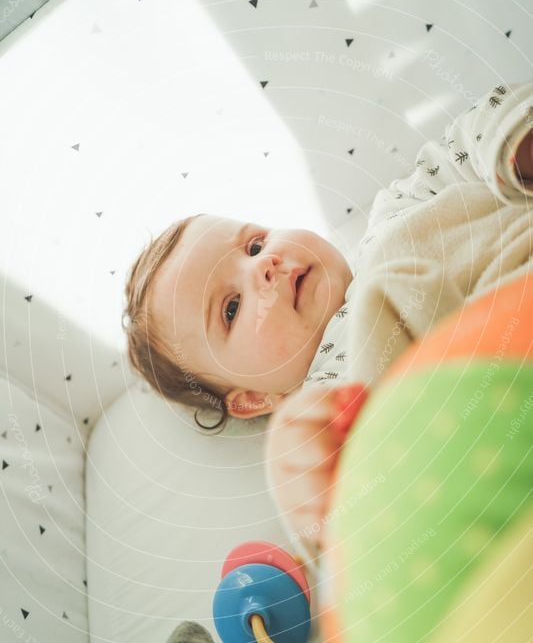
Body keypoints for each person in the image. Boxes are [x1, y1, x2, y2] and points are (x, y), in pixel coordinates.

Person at [123, 81, 533, 551]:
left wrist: (514, 144)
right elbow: (361, 541)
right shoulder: (323, 409)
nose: (264, 265)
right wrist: (309, 487)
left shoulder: (393, 215)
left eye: (254, 245)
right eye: (232, 308)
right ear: (254, 399)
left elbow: (466, 140)